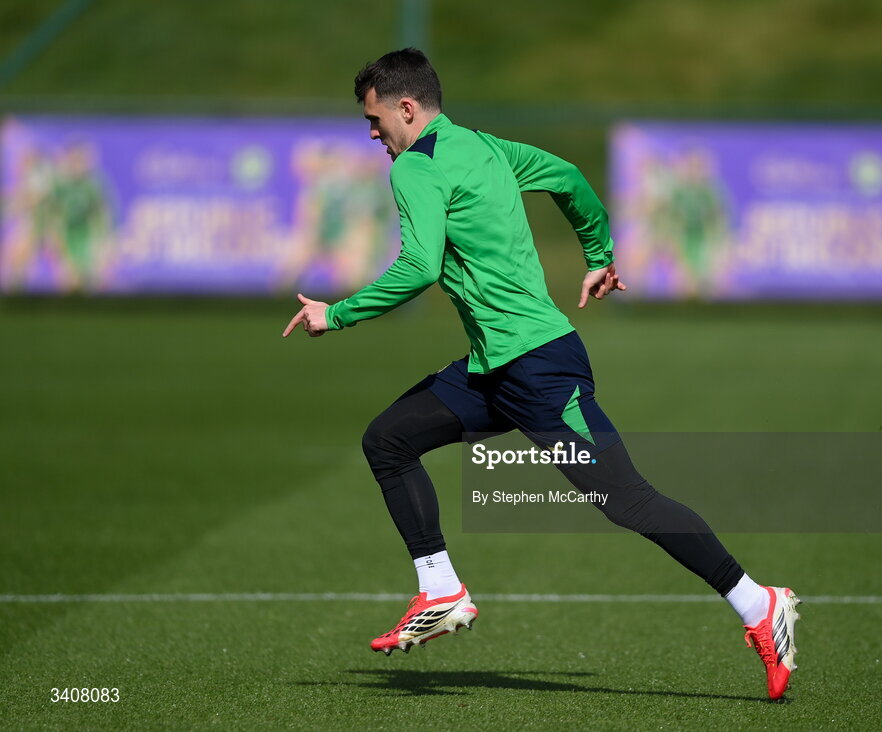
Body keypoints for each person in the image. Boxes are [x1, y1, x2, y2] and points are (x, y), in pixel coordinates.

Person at [283, 49, 801, 700]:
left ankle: (761, 605)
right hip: (493, 372)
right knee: (389, 439)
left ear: (406, 108)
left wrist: (339, 314)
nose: (371, 133)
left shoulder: (416, 168)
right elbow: (567, 176)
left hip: (539, 370)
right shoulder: (484, 147)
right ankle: (441, 590)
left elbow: (417, 268)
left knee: (627, 499)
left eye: (374, 117)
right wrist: (599, 252)